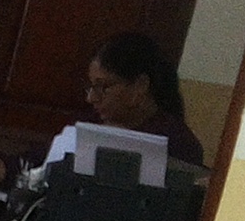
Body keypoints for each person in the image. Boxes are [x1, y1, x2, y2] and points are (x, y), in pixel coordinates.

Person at [85, 31, 205, 166]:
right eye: (91, 87)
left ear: (140, 85)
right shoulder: (88, 124)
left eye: (103, 87)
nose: (91, 98)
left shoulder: (179, 145)